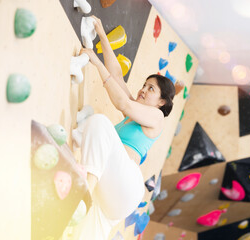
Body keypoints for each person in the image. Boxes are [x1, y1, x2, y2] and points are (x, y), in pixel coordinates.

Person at [72, 16, 175, 240]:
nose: (143, 90)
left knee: (98, 123)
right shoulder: (134, 115)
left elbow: (122, 103)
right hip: (111, 196)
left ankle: (84, 190)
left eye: (151, 89)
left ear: (162, 102)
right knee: (76, 235)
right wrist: (101, 32)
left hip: (125, 184)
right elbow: (117, 75)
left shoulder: (157, 118)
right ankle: (86, 194)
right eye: (144, 85)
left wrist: (95, 61)